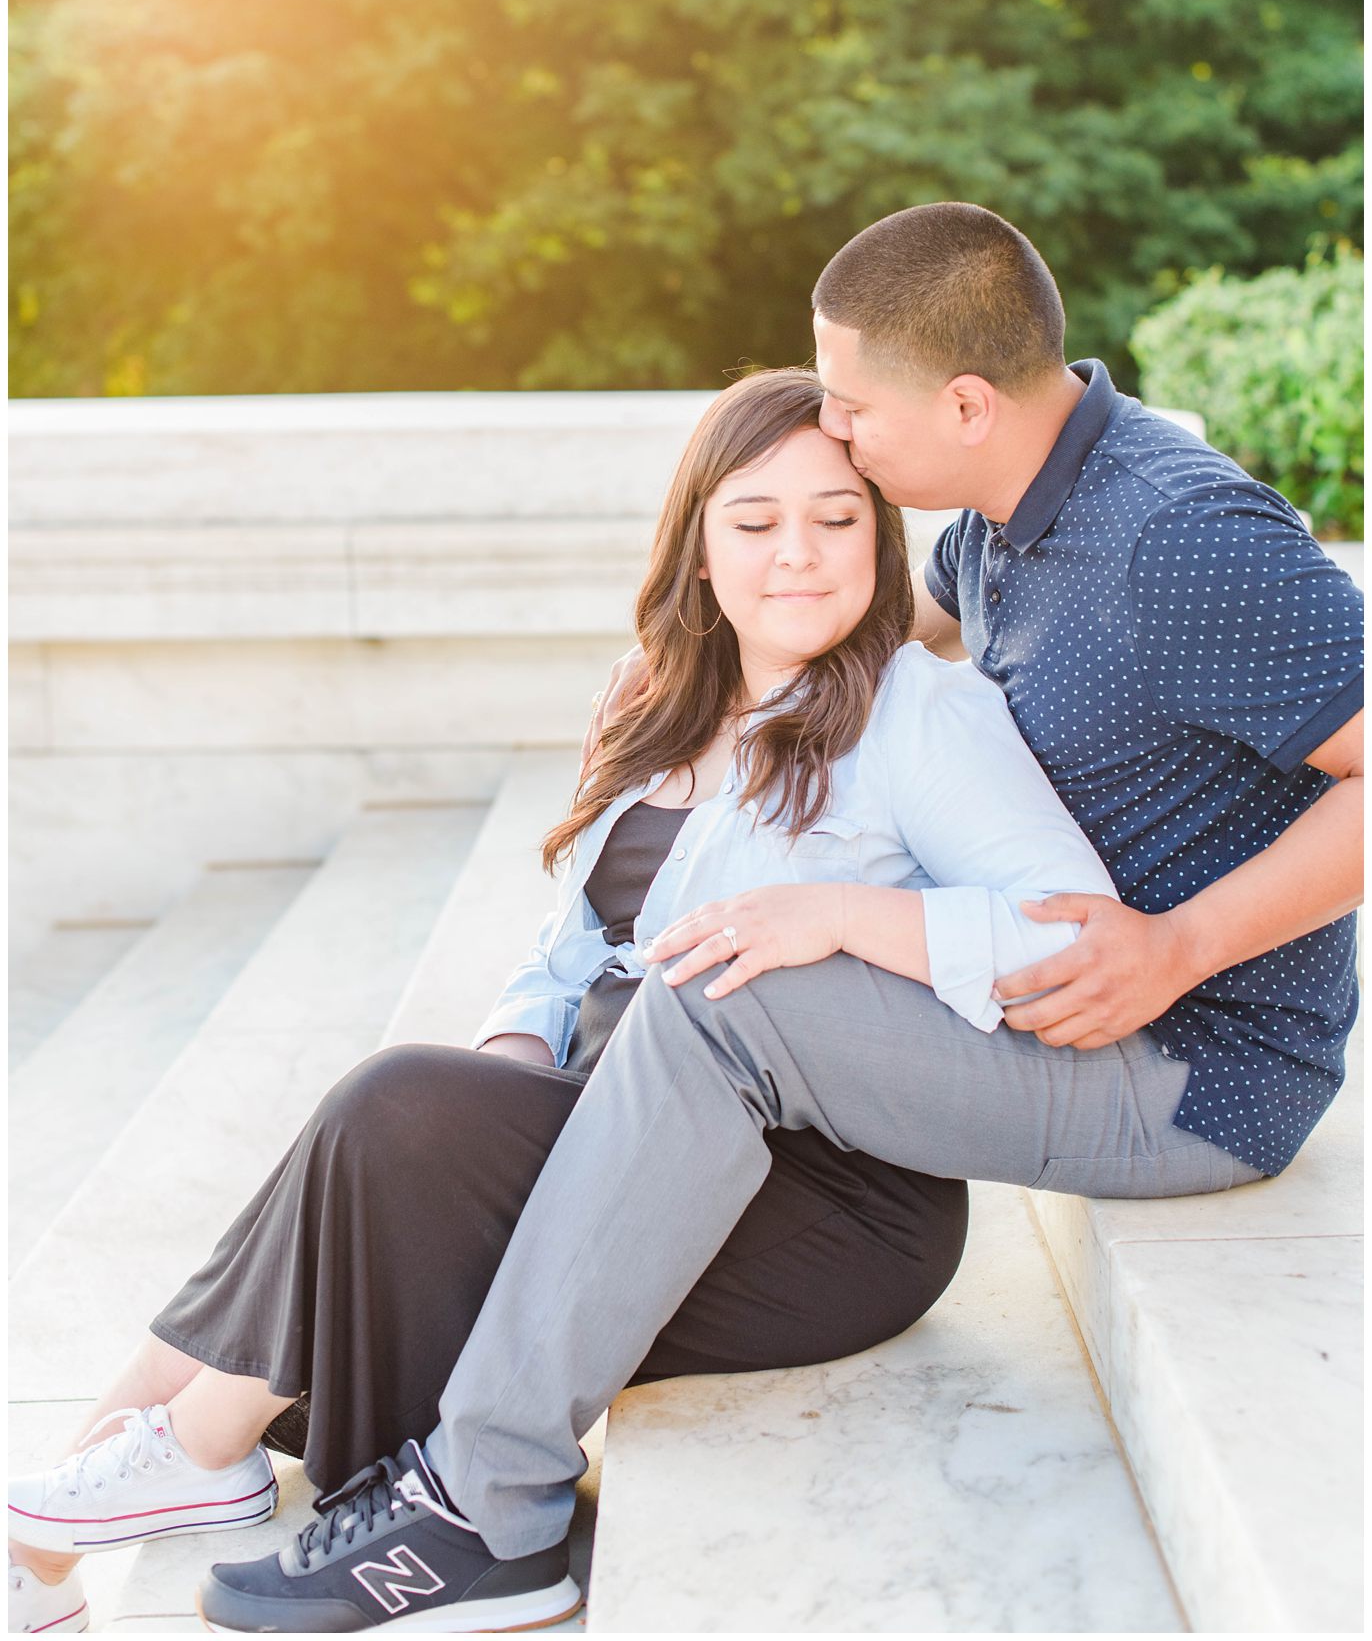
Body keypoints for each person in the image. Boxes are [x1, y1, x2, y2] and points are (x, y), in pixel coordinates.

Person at [187, 200, 1362, 1637]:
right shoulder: (1003, 529)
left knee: (735, 983)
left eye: (857, 413)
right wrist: (693, 678)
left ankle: (491, 1504)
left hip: (1197, 1065)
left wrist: (1179, 946)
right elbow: (887, 658)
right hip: (1056, 1000)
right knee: (501, 1074)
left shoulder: (1175, 537)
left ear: (969, 404)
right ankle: (279, 1432)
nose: (842, 438)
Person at [8, 364, 1122, 1636]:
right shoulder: (644, 695)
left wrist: (841, 915)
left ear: (882, 532)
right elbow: (561, 952)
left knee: (388, 1115)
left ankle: (168, 1465)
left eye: (837, 517)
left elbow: (1067, 931)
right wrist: (501, 1083)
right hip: (609, 1123)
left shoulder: (917, 716)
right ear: (699, 546)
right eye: (755, 523)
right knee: (402, 1132)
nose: (799, 555)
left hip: (819, 1197)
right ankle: (51, 1540)